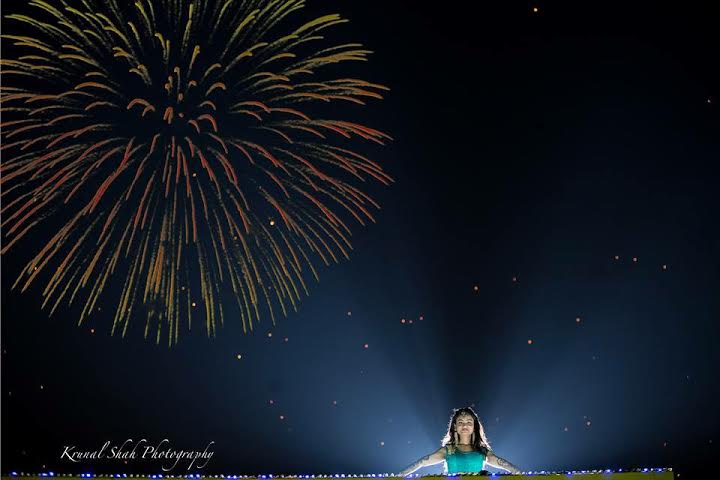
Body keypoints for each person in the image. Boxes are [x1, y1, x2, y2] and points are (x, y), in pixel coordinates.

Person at [397, 407, 521, 476]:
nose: (465, 425)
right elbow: (422, 462)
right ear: (455, 427)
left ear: (474, 427)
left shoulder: (482, 451)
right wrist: (398, 476)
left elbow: (502, 464)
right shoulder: (448, 450)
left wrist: (520, 474)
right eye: (460, 422)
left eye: (469, 422)